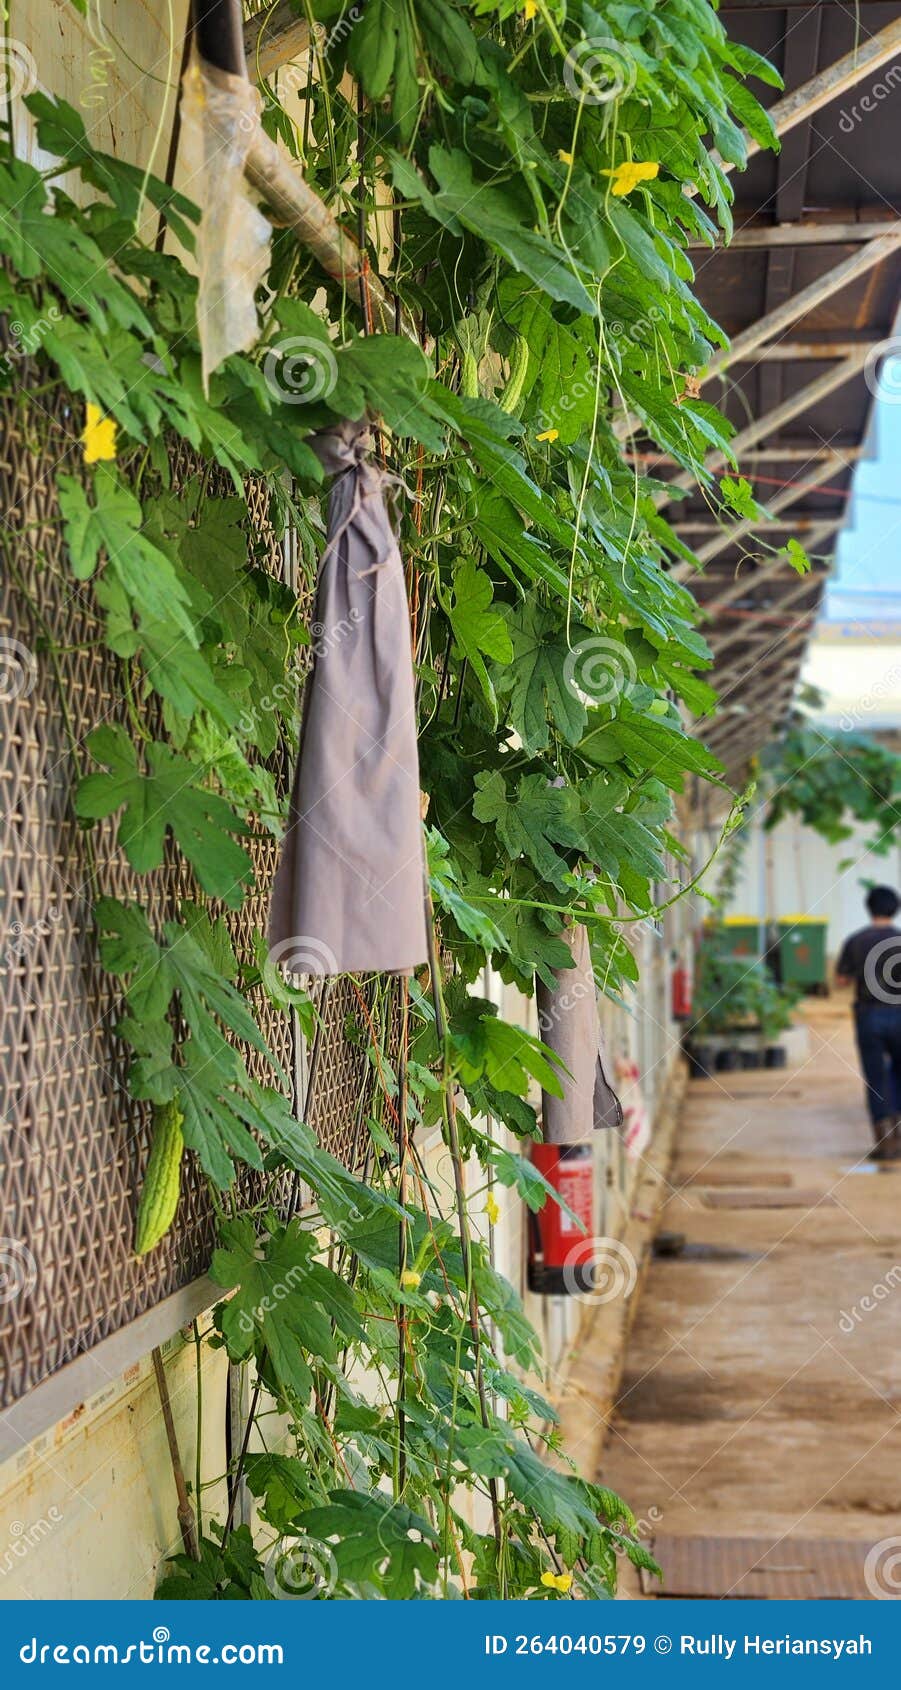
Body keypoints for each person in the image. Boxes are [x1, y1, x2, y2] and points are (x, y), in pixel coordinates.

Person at [835, 887, 901, 1161]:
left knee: (875, 1077)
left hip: (869, 1016)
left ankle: (884, 1141)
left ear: (869, 908)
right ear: (895, 909)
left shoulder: (856, 941)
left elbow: (841, 980)